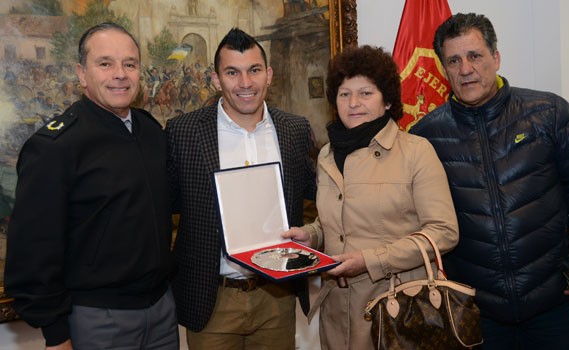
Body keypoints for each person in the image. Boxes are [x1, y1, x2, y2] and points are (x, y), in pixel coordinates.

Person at [410, 13, 569, 349]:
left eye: (475, 56)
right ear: (444, 69)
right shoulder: (424, 138)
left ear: (495, 58)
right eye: (454, 60)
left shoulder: (548, 113)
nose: (465, 69)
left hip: (551, 301)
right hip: (477, 311)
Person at [4, 22, 178, 350]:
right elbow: (32, 250)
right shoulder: (55, 147)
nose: (120, 74)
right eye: (105, 63)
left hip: (161, 312)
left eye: (130, 64)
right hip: (99, 319)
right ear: (82, 73)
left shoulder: (151, 131)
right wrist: (56, 336)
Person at [282, 45, 459, 350]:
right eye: (344, 93)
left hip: (397, 311)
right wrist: (310, 235)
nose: (353, 103)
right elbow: (338, 220)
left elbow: (443, 233)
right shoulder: (327, 153)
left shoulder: (416, 152)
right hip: (337, 312)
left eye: (366, 93)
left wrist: (369, 261)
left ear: (387, 99)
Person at [166, 28, 316, 349]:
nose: (245, 83)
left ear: (269, 74)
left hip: (276, 296)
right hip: (213, 299)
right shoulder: (184, 133)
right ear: (217, 79)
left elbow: (324, 197)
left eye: (254, 70)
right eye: (232, 72)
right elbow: (165, 207)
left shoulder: (295, 130)